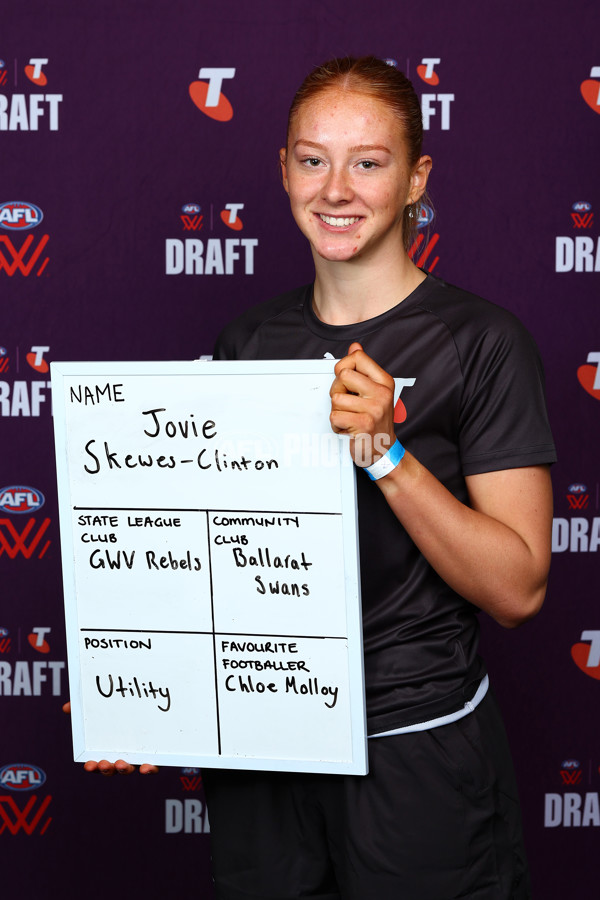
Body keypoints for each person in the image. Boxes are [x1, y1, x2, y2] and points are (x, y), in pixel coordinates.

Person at [87, 56, 555, 899]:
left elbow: (518, 588)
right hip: (268, 742)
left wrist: (386, 455)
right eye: (313, 159)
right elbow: (215, 565)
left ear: (416, 178)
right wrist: (152, 691)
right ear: (284, 169)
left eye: (368, 162)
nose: (336, 188)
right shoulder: (245, 342)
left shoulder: (482, 342)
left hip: (417, 748)